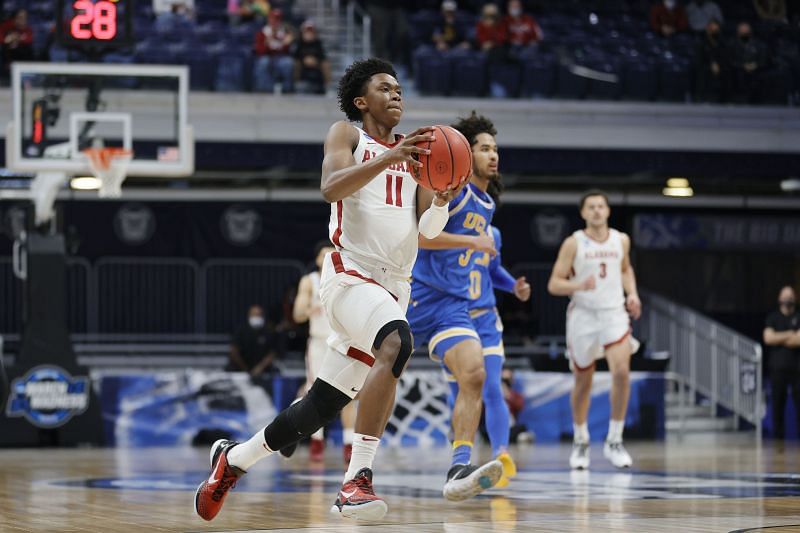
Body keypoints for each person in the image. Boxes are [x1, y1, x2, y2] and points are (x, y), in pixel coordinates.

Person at [194, 57, 457, 522]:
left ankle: (232, 461)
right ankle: (357, 481)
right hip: (350, 272)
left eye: (399, 88)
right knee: (398, 343)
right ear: (361, 100)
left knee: (320, 406)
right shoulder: (348, 134)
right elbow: (331, 188)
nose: (397, 94)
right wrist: (391, 158)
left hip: (394, 287)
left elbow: (428, 231)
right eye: (385, 87)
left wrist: (440, 199)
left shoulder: (416, 152)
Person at [408, 111, 506, 499]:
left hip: (452, 305)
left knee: (475, 375)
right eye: (484, 148)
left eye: (496, 148)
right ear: (467, 152)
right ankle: (305, 416)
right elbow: (422, 236)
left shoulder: (485, 202)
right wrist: (472, 242)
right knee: (356, 380)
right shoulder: (448, 185)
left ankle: (458, 466)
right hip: (416, 296)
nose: (493, 155)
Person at [547, 190, 642, 470]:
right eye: (591, 207)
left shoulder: (621, 240)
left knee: (622, 372)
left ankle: (614, 439)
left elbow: (625, 269)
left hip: (614, 313)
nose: (597, 211)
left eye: (601, 206)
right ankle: (581, 439)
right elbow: (554, 284)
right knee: (583, 380)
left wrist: (632, 294)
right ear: (583, 213)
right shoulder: (573, 243)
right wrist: (578, 285)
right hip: (584, 315)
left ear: (608, 211)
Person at [444, 223, 530, 487]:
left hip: (485, 320)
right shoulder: (442, 228)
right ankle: (460, 452)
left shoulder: (494, 233)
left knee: (493, 387)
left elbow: (492, 270)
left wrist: (513, 286)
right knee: (457, 391)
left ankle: (501, 453)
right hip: (452, 319)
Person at [291, 241, 355, 462]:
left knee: (349, 393)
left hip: (344, 340)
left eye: (332, 253)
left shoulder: (348, 278)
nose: (327, 257)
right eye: (323, 254)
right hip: (319, 342)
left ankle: (349, 443)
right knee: (313, 392)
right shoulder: (310, 281)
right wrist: (309, 309)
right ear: (318, 259)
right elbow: (297, 314)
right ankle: (317, 440)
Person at [763, 286, 800, 439]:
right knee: (778, 405)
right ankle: (778, 439)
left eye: (790, 296)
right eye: (785, 296)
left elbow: (798, 340)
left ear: (795, 299)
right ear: (779, 299)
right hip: (777, 369)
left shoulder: (798, 316)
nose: (788, 299)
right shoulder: (772, 318)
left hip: (798, 369)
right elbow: (768, 338)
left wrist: (778, 338)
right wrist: (790, 334)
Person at [227, 305, 279, 377]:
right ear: (249, 316)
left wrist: (260, 368)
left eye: (259, 315)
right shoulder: (241, 331)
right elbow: (234, 351)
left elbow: (272, 353)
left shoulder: (268, 331)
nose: (257, 317)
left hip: (262, 370)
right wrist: (245, 369)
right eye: (254, 315)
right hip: (240, 369)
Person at [253, 9, 295, 93]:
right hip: (267, 57)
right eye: (273, 19)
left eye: (277, 19)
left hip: (280, 58)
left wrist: (285, 44)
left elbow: (287, 50)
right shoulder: (262, 32)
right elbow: (259, 51)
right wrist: (267, 45)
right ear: (269, 19)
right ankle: (264, 89)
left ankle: (287, 90)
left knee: (288, 62)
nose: (274, 22)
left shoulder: (285, 32)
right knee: (263, 62)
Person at [729, 22, 768, 103]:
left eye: (746, 32)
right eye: (742, 32)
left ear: (750, 32)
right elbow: (730, 60)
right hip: (738, 70)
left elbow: (763, 60)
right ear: (738, 33)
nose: (744, 34)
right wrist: (743, 66)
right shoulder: (732, 44)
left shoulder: (759, 45)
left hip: (756, 70)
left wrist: (755, 65)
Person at [694, 19, 730, 103]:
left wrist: (718, 65)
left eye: (715, 29)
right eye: (711, 28)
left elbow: (725, 56)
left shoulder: (723, 42)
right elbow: (699, 58)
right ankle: (702, 98)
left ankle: (724, 99)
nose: (713, 30)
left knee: (727, 70)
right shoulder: (701, 41)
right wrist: (711, 64)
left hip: (720, 65)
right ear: (707, 29)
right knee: (702, 72)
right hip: (705, 65)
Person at [293, 20, 331, 95]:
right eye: (307, 31)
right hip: (303, 68)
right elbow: (295, 56)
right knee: (295, 64)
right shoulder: (299, 43)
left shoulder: (318, 43)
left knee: (326, 64)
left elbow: (322, 57)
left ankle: (327, 87)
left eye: (311, 31)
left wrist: (316, 61)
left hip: (316, 67)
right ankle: (296, 85)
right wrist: (304, 60)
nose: (309, 33)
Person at [0, 9, 33, 79]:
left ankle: (27, 78)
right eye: (20, 18)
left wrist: (17, 39)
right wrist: (8, 40)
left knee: (26, 49)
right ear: (14, 19)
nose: (23, 20)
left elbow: (29, 40)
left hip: (21, 59)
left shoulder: (28, 29)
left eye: (25, 18)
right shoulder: (6, 26)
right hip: (6, 58)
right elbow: (2, 39)